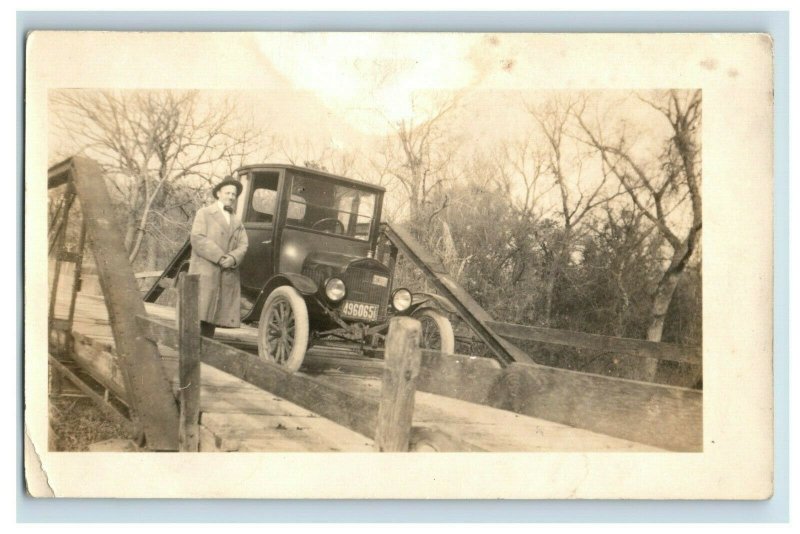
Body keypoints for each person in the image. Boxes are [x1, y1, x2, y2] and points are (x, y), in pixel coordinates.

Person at [188, 176, 249, 338]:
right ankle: (190, 352)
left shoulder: (237, 221)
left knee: (213, 317)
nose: (230, 197)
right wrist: (221, 257)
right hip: (206, 271)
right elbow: (197, 238)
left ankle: (204, 354)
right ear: (218, 194)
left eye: (233, 194)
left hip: (226, 273)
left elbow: (244, 245)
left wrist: (233, 258)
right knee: (199, 313)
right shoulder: (205, 213)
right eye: (227, 192)